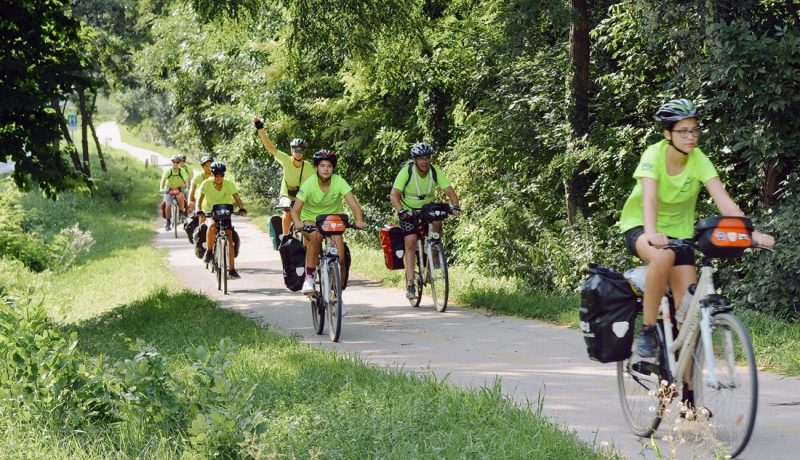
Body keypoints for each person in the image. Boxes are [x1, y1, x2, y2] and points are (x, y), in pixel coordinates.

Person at [620, 98, 774, 359]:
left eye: (694, 130)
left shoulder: (698, 159)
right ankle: (647, 329)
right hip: (642, 227)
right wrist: (652, 233)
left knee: (689, 318)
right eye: (683, 131)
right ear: (667, 133)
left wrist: (751, 233)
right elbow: (649, 198)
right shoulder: (653, 155)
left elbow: (723, 200)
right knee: (663, 256)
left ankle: (688, 386)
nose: (690, 137)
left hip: (680, 234)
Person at [291, 149, 365, 311]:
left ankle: (338, 297)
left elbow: (354, 204)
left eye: (329, 166)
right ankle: (309, 278)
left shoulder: (339, 181)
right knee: (316, 236)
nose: (326, 169)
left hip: (332, 220)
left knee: (341, 258)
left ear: (333, 168)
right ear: (316, 167)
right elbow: (295, 210)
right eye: (322, 166)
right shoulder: (309, 183)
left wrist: (359, 220)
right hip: (311, 219)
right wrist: (298, 223)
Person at [389, 142, 461, 300]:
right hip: (409, 210)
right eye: (421, 158)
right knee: (410, 242)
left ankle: (434, 254)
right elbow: (394, 195)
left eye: (427, 158)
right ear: (415, 160)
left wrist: (455, 206)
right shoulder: (407, 171)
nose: (424, 161)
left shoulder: (435, 171)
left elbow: (449, 190)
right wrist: (401, 211)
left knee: (438, 223)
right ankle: (410, 284)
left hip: (427, 209)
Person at [253, 117, 314, 234]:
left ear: (304, 151)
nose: (298, 153)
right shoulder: (286, 160)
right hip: (286, 195)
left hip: (302, 197)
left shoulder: (308, 167)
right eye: (296, 150)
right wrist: (260, 128)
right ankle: (285, 237)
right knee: (288, 210)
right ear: (291, 151)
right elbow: (270, 148)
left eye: (301, 150)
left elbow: (317, 183)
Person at [196, 161, 247, 280]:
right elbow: (199, 198)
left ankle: (232, 270)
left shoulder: (229, 183)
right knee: (212, 226)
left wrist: (241, 208)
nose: (218, 177)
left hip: (225, 213)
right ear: (212, 174)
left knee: (229, 237)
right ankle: (209, 251)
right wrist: (198, 209)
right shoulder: (206, 183)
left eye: (221, 175)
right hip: (211, 212)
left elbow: (236, 197)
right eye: (216, 175)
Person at [159, 154, 189, 231]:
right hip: (169, 188)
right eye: (173, 162)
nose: (175, 164)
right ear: (171, 162)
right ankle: (168, 222)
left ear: (179, 163)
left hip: (180, 188)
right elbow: (163, 180)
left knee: (181, 197)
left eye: (177, 162)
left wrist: (187, 188)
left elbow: (186, 180)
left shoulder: (182, 171)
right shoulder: (168, 171)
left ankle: (181, 212)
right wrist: (161, 188)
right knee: (168, 205)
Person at [189, 154, 214, 223]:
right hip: (200, 200)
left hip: (213, 200)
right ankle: (201, 228)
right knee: (202, 215)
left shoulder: (217, 175)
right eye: (206, 166)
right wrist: (190, 201)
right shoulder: (199, 176)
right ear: (203, 167)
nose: (209, 168)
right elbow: (192, 190)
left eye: (211, 166)